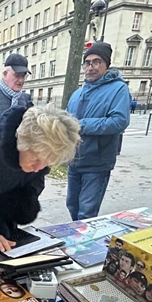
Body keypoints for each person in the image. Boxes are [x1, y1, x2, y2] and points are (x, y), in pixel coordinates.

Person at [0, 104, 80, 253]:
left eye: (46, 163)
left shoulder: (40, 157)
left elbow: (35, 185)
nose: (38, 168)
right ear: (22, 142)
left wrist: (25, 203)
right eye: (35, 159)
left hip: (8, 232)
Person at [65, 42, 131, 220]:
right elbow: (67, 121)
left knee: (87, 211)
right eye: (87, 63)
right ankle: (77, 237)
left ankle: (83, 244)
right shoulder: (78, 93)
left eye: (96, 62)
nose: (90, 67)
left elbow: (119, 121)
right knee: (72, 204)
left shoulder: (118, 89)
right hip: (75, 159)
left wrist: (82, 124)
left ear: (106, 64)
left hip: (97, 161)